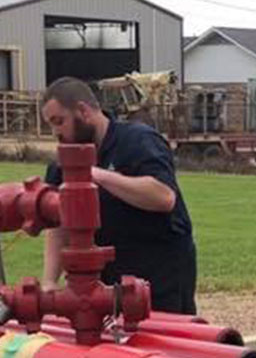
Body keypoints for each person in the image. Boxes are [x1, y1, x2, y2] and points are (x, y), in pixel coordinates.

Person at [39, 77, 198, 314]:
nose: (56, 133)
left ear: (83, 111)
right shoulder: (62, 164)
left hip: (160, 274)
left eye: (59, 121)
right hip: (106, 277)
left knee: (162, 344)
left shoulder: (138, 141)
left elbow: (164, 197)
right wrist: (50, 281)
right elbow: (59, 224)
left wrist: (96, 175)